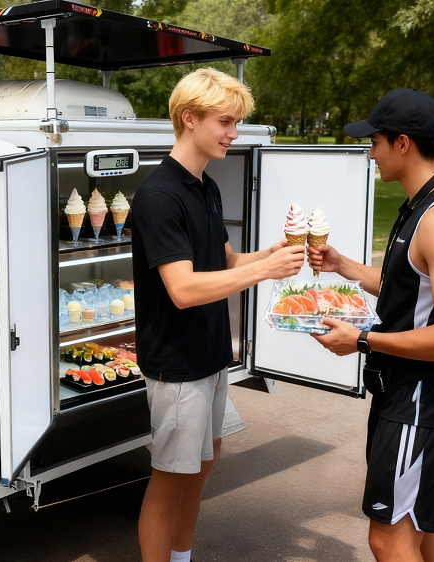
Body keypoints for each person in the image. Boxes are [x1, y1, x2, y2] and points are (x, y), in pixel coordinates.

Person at [131, 68, 306, 562]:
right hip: (178, 363)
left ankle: (182, 556)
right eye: (226, 122)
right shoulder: (160, 195)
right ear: (189, 118)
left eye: (238, 123)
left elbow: (225, 262)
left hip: (210, 356)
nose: (235, 133)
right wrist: (266, 270)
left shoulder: (205, 185)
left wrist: (271, 256)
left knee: (204, 466)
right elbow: (184, 289)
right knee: (170, 478)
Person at [308, 89, 434, 562]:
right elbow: (410, 288)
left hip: (421, 401)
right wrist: (345, 265)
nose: (370, 151)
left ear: (402, 144)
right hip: (405, 396)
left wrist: (362, 340)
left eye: (376, 141)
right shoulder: (421, 205)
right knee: (422, 534)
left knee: (388, 538)